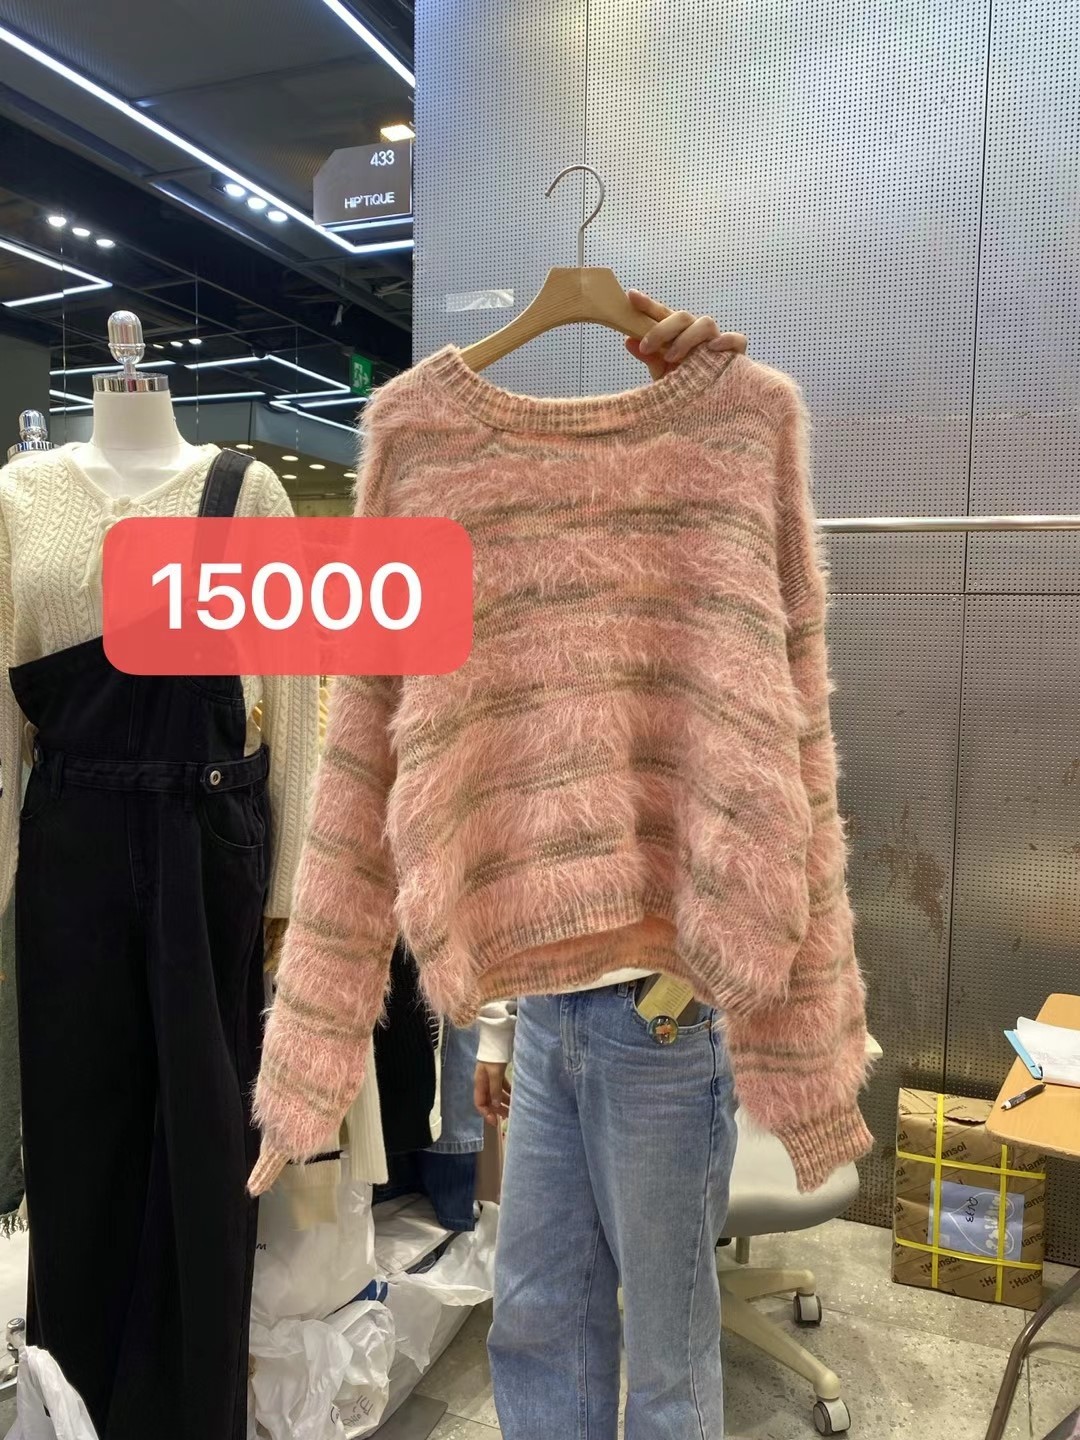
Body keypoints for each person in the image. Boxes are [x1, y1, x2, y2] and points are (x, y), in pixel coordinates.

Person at [473, 294, 745, 1440]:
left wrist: (715, 399)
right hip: (547, 1006)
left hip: (658, 1017)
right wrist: (497, 1025)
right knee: (537, 1316)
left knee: (667, 1358)